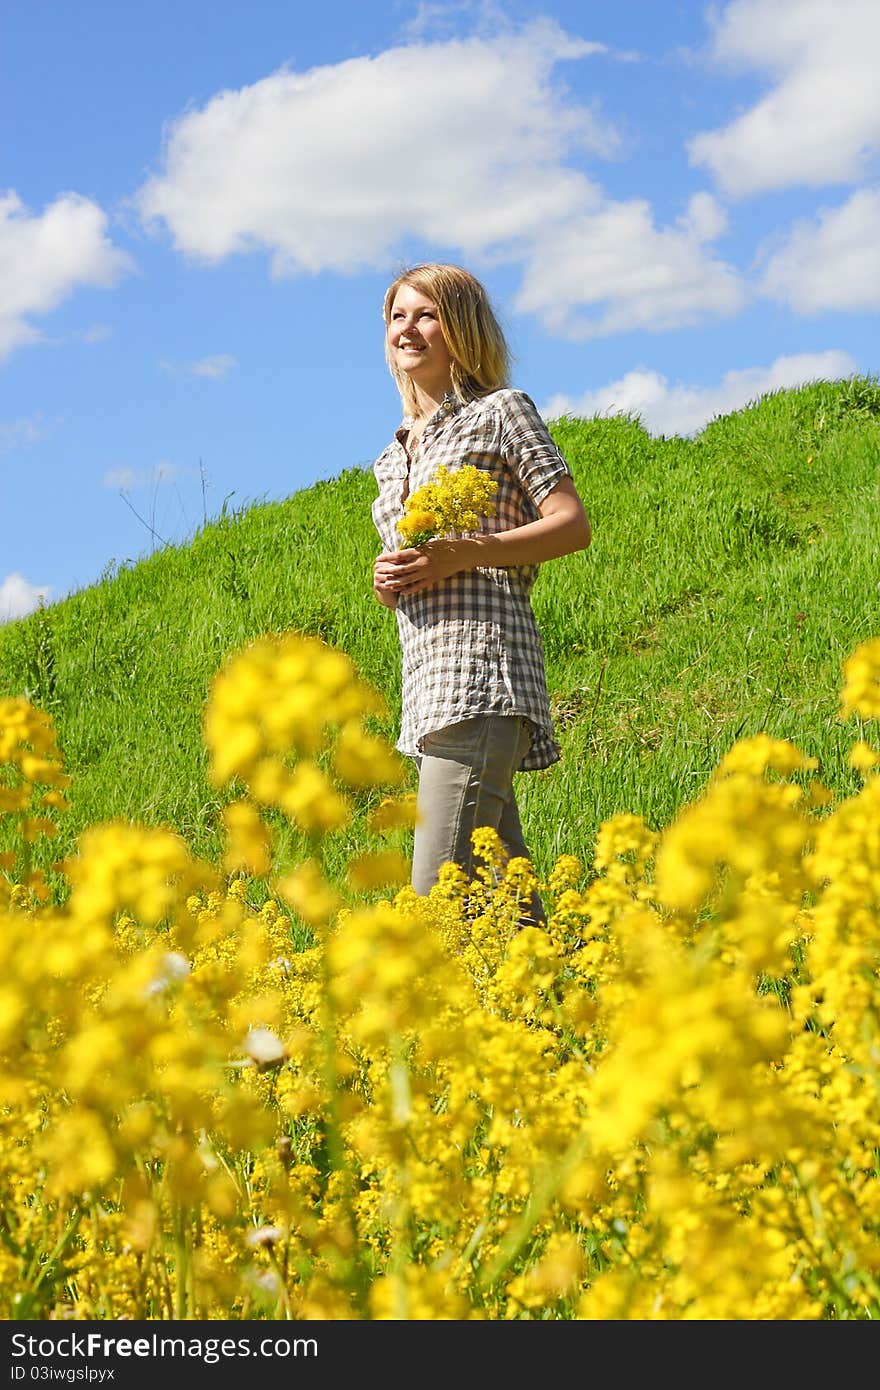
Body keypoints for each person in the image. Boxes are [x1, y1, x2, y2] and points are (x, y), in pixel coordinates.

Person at [371, 263, 591, 922]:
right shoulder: (393, 454)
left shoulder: (503, 413)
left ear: (460, 327)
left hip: (483, 675)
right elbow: (421, 570)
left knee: (439, 900)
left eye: (426, 314)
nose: (408, 329)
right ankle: (554, 1022)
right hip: (429, 687)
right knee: (506, 910)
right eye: (397, 316)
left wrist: (466, 553)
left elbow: (570, 524)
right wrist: (393, 582)